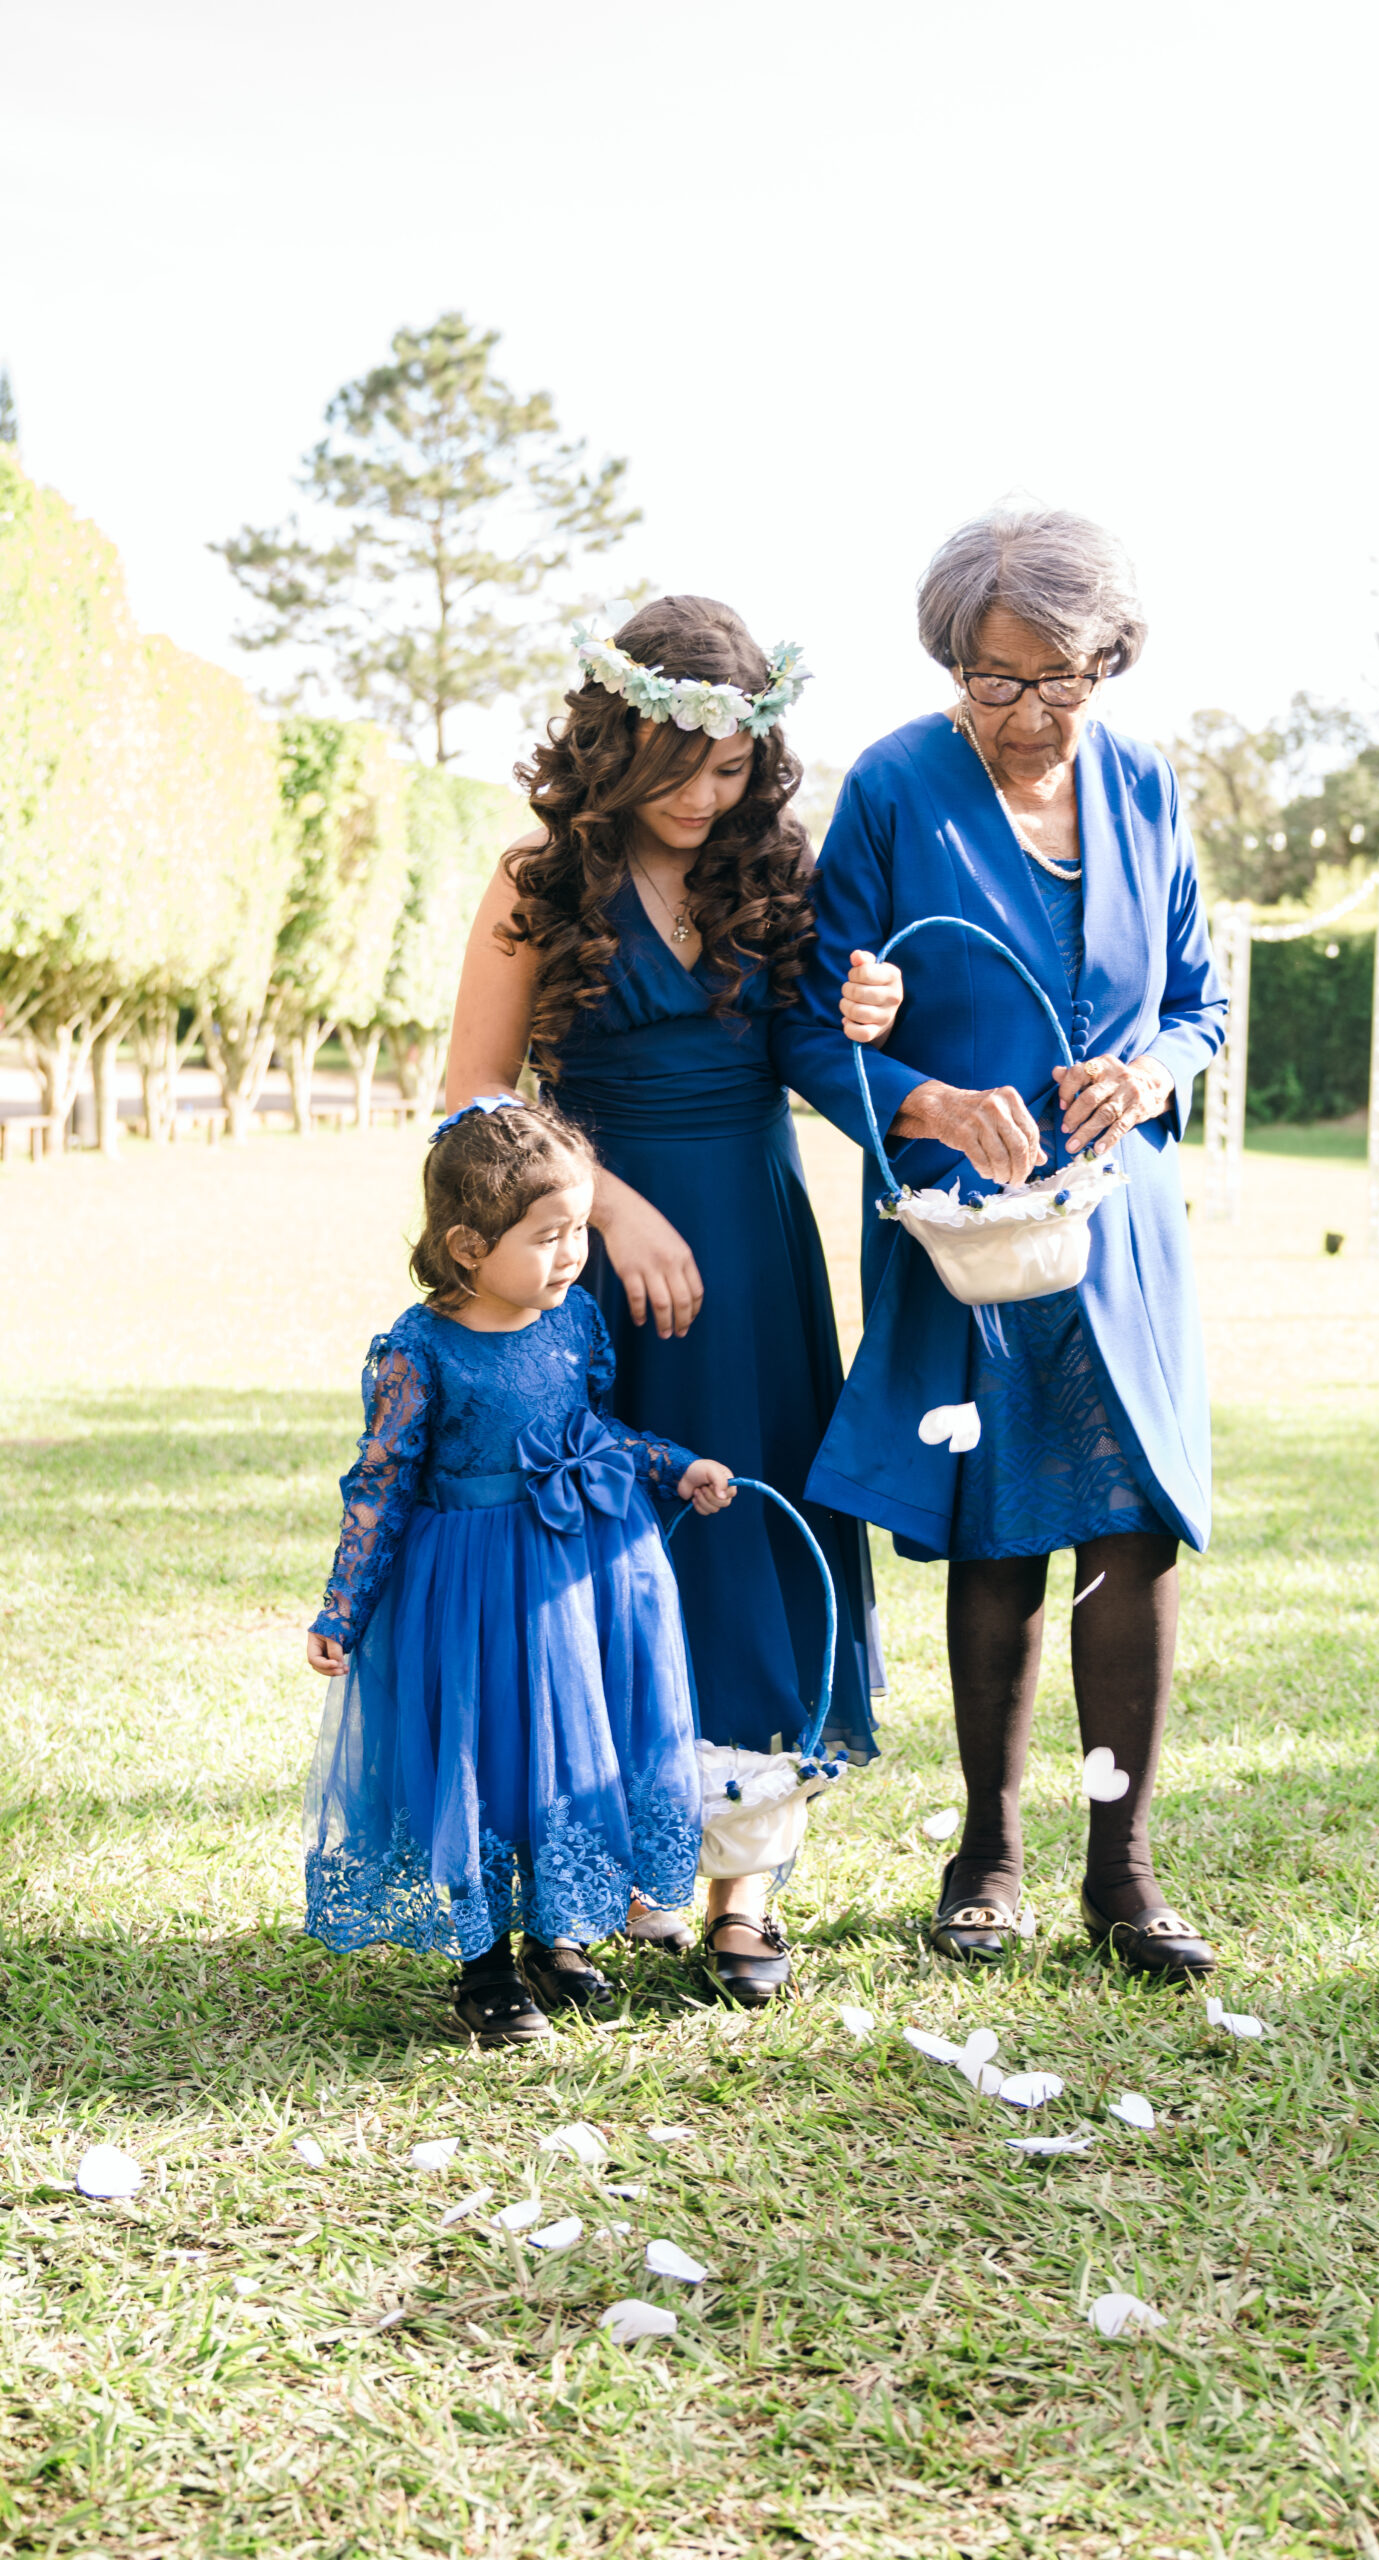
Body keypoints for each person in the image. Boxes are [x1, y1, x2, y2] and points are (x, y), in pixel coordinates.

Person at [773, 507, 1227, 1983]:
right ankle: (986, 1853)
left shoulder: (1146, 786)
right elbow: (812, 1022)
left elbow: (1199, 1004)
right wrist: (929, 1103)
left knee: (1131, 1524)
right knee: (994, 1525)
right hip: (966, 1232)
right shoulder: (893, 787)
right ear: (950, 664)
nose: (1030, 712)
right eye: (995, 680)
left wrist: (1147, 1075)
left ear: (1110, 661)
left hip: (1119, 1225)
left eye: (1061, 680)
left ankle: (1124, 1868)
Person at [444, 597, 900, 2004]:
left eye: (731, 768)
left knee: (748, 1530)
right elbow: (470, 1095)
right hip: (587, 1257)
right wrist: (608, 1206)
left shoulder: (778, 871)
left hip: (755, 1250)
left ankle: (742, 1888)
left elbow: (824, 1053)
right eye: (680, 767)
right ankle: (607, 1874)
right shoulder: (536, 879)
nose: (707, 798)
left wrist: (870, 1014)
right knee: (601, 1547)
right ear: (616, 744)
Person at [302, 1097, 734, 2045]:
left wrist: (674, 1465)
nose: (573, 1252)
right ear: (467, 1246)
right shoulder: (419, 1349)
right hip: (473, 1592)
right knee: (487, 1759)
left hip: (580, 1575)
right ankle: (484, 1963)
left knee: (569, 1754)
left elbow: (594, 1431)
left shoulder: (574, 1319)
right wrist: (343, 1607)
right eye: (547, 1236)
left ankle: (556, 1935)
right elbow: (379, 1483)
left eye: (579, 1229)